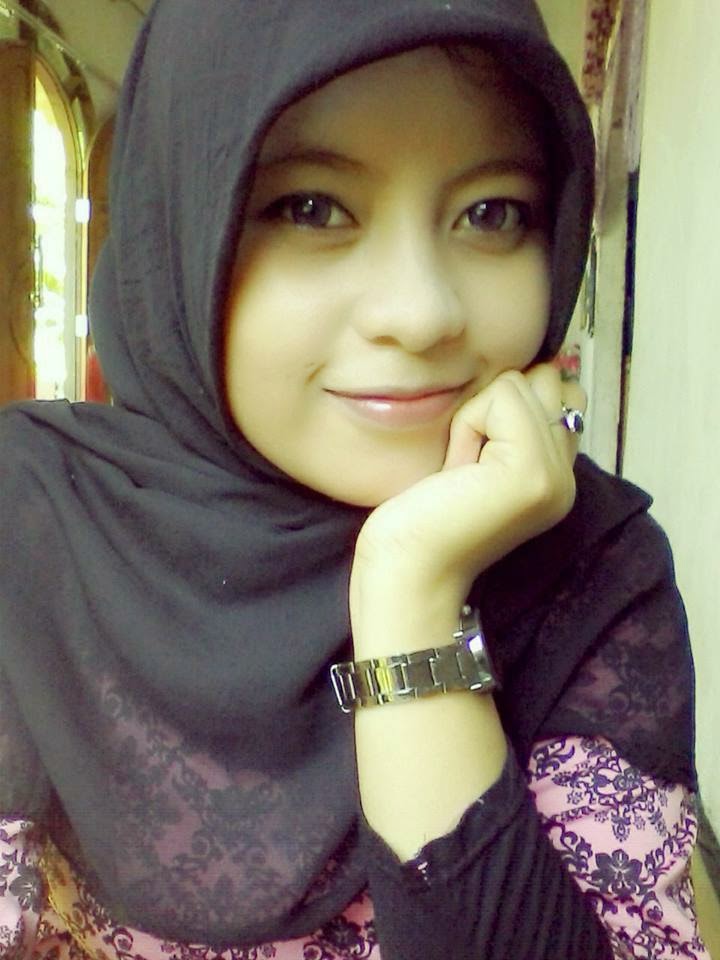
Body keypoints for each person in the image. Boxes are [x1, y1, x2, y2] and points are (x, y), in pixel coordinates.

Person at [0, 1, 708, 958]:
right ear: (179, 225)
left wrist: (414, 597)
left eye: (492, 212)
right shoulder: (26, 520)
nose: (421, 313)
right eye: (311, 208)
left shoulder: (594, 566)